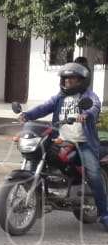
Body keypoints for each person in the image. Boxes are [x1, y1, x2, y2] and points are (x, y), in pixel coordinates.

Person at [20, 62, 108, 230]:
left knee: (94, 174)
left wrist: (86, 114)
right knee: (38, 156)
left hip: (83, 143)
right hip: (61, 140)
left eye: (72, 78)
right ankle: (39, 196)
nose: (67, 81)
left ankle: (104, 214)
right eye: (65, 78)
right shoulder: (60, 97)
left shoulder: (89, 95)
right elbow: (44, 107)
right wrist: (27, 115)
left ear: (81, 80)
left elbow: (95, 106)